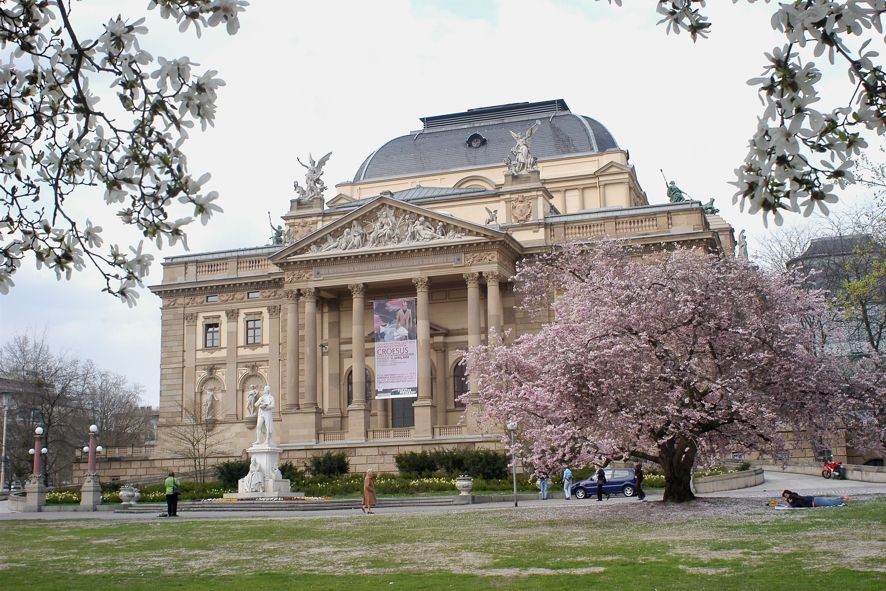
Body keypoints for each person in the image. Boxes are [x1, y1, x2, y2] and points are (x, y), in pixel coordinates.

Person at [781, 489, 849, 508]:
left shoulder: (793, 496)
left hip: (814, 502)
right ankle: (842, 498)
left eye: (786, 495)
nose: (786, 497)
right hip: (814, 500)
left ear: (789, 493)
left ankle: (842, 500)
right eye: (785, 496)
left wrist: (790, 503)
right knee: (829, 501)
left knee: (829, 503)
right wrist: (790, 502)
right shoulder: (794, 496)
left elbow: (796, 505)